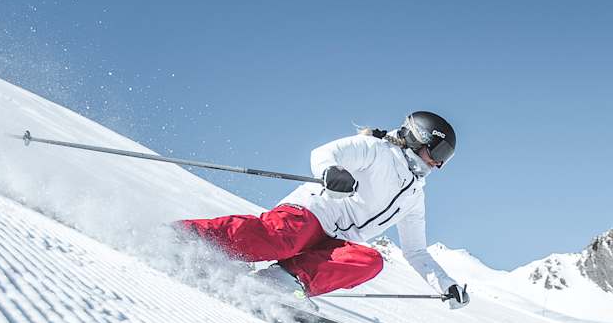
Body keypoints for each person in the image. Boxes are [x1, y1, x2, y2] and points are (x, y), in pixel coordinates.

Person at [176, 111, 469, 309]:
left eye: (446, 159)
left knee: (369, 260)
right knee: (282, 240)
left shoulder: (414, 196)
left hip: (338, 241)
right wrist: (332, 171)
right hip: (314, 213)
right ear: (419, 138)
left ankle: (280, 283)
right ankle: (186, 237)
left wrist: (447, 284)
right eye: (438, 153)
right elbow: (325, 153)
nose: (439, 164)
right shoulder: (377, 150)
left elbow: (416, 251)